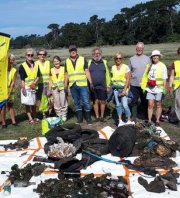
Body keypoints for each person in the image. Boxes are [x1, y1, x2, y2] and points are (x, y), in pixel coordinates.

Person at [64, 45, 93, 125]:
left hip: (83, 84)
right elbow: (66, 74)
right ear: (69, 52)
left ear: (76, 51)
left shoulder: (83, 59)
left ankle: (88, 118)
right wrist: (65, 86)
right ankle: (80, 118)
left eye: (74, 50)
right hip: (73, 85)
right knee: (76, 102)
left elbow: (87, 71)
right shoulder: (67, 61)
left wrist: (91, 82)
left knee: (86, 101)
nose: (73, 51)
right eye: (71, 50)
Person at [141, 50, 167, 126]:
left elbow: (164, 78)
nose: (155, 57)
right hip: (150, 88)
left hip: (159, 88)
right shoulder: (149, 66)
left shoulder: (162, 65)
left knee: (158, 104)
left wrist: (164, 89)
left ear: (159, 57)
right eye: (154, 56)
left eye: (157, 56)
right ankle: (149, 121)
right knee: (150, 104)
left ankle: (157, 121)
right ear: (152, 57)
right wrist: (144, 86)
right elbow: (145, 77)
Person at [128, 42, 150, 121]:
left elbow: (150, 72)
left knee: (145, 101)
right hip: (134, 84)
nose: (139, 49)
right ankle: (134, 117)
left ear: (143, 49)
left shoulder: (148, 59)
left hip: (145, 85)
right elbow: (129, 72)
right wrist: (127, 83)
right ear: (136, 48)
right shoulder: (131, 59)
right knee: (133, 101)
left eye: (141, 48)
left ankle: (147, 117)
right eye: (138, 48)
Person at [88, 47, 111, 122]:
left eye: (98, 53)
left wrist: (108, 86)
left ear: (100, 54)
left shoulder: (104, 62)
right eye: (95, 53)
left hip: (103, 85)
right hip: (93, 86)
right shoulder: (89, 62)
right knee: (95, 101)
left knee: (103, 101)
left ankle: (102, 116)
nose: (97, 55)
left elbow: (107, 74)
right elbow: (87, 74)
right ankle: (97, 117)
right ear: (93, 54)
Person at [111, 52, 134, 126]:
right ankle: (120, 120)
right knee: (118, 105)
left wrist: (124, 90)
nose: (118, 59)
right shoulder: (113, 67)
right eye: (117, 58)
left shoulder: (126, 67)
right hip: (116, 89)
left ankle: (129, 120)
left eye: (120, 58)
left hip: (123, 88)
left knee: (125, 105)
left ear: (122, 59)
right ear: (115, 59)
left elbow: (128, 79)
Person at [19, 48, 40, 124]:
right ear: (25, 56)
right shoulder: (22, 66)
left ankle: (34, 117)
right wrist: (23, 87)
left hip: (33, 86)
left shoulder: (36, 64)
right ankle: (30, 118)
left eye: (31, 55)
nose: (30, 56)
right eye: (28, 55)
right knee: (27, 104)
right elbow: (22, 79)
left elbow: (38, 75)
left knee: (34, 103)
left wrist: (34, 83)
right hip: (26, 87)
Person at [48, 56, 68, 121]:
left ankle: (64, 115)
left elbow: (66, 77)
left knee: (63, 101)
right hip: (54, 88)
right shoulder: (51, 70)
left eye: (57, 61)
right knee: (56, 102)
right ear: (53, 63)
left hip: (62, 88)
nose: (56, 62)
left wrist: (65, 86)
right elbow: (50, 80)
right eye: (54, 61)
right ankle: (59, 115)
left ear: (60, 61)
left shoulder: (63, 68)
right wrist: (49, 89)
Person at [1, 54, 17, 128]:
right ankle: (3, 123)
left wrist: (9, 94)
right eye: (9, 60)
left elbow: (13, 83)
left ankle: (13, 122)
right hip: (2, 90)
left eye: (12, 60)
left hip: (10, 90)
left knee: (10, 106)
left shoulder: (14, 70)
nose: (10, 61)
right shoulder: (1, 69)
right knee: (2, 107)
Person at [35, 49, 50, 115]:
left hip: (48, 83)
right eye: (40, 54)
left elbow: (50, 73)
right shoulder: (35, 63)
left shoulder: (48, 62)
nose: (42, 55)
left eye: (44, 54)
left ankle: (48, 111)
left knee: (48, 98)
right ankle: (42, 113)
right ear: (38, 55)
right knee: (40, 98)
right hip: (40, 83)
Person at [168, 47, 180, 127]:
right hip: (177, 86)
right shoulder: (175, 63)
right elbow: (172, 76)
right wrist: (169, 85)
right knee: (178, 102)